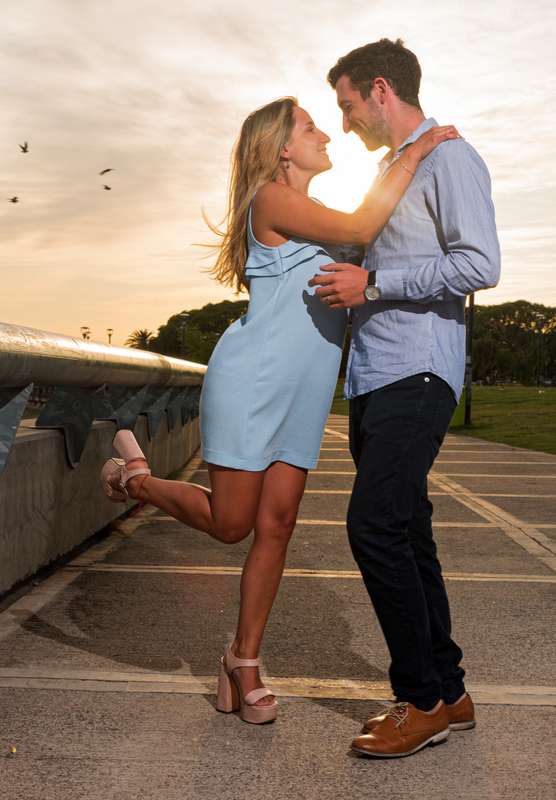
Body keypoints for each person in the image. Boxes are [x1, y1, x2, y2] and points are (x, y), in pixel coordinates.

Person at [100, 96, 459, 725]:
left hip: (305, 393)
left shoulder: (314, 211)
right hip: (252, 381)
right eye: (309, 127)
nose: (325, 134)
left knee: (278, 525)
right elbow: (360, 229)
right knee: (232, 523)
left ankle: (244, 659)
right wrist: (416, 151)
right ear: (281, 149)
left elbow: (367, 245)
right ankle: (137, 480)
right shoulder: (269, 199)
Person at [308, 38, 501, 757]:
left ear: (380, 89)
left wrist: (376, 286)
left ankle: (418, 701)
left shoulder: (449, 157)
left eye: (348, 103)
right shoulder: (394, 169)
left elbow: (481, 263)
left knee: (373, 527)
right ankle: (448, 692)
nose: (346, 120)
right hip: (374, 373)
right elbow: (365, 253)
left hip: (418, 373)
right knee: (409, 531)